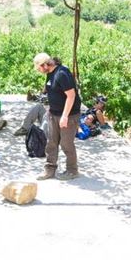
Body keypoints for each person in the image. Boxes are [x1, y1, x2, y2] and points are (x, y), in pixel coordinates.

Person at [33, 53, 81, 181]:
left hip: (69, 115)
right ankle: (50, 169)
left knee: (66, 143)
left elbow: (71, 95)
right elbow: (53, 91)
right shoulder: (50, 73)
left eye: (39, 68)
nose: (39, 71)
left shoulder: (62, 74)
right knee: (51, 142)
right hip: (54, 114)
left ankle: (72, 170)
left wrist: (65, 116)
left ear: (45, 65)